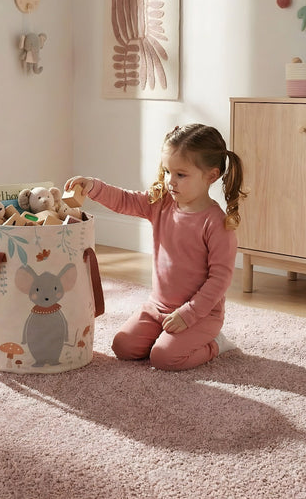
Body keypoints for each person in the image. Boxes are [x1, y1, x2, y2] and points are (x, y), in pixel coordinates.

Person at [65, 124, 247, 371]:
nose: (170, 181)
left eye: (181, 175)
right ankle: (167, 337)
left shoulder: (217, 224)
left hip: (201, 315)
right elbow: (126, 200)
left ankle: (215, 344)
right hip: (157, 308)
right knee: (123, 347)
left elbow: (219, 280)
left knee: (164, 358)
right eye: (167, 171)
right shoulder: (161, 203)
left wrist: (188, 314)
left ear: (211, 176)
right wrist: (93, 187)